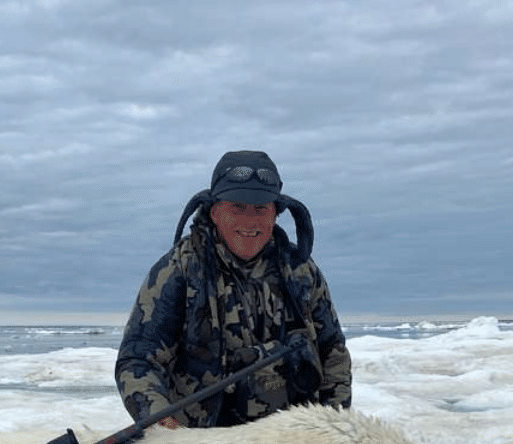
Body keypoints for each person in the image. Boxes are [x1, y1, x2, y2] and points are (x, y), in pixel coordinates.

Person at [115, 151, 352, 428]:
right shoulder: (178, 270)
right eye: (238, 207)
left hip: (292, 441)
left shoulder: (302, 271)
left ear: (275, 212)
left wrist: (333, 426)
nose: (250, 222)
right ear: (215, 211)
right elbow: (138, 360)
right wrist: (161, 424)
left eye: (261, 208)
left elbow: (333, 352)